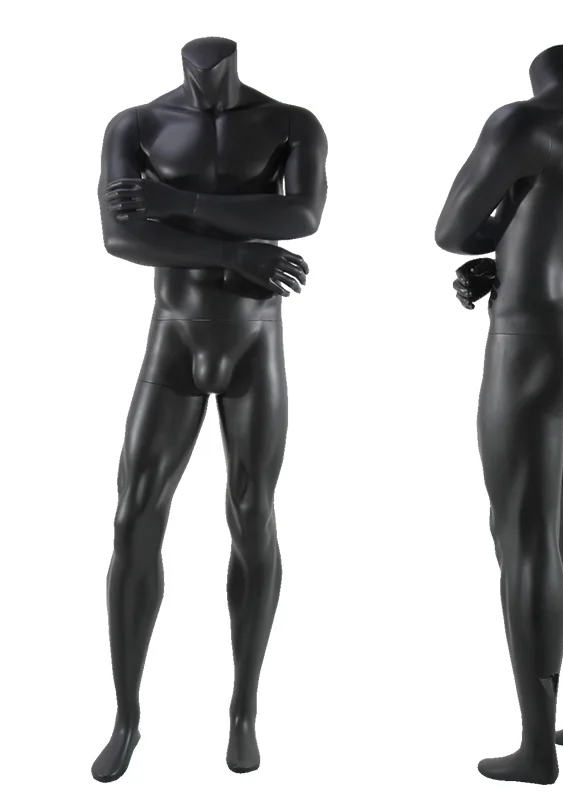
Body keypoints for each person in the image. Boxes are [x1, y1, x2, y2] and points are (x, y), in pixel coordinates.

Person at [92, 36, 327, 782]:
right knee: (133, 517)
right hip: (174, 341)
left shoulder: (291, 123)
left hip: (257, 345)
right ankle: (126, 718)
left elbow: (303, 215)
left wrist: (180, 206)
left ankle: (243, 711)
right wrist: (235, 250)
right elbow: (120, 235)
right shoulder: (136, 126)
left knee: (253, 514)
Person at [435, 44, 563, 784]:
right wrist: (509, 257)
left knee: (522, 539)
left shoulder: (523, 121)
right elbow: (561, 224)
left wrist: (498, 246)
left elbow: (451, 230)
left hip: (530, 344)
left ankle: (536, 749)